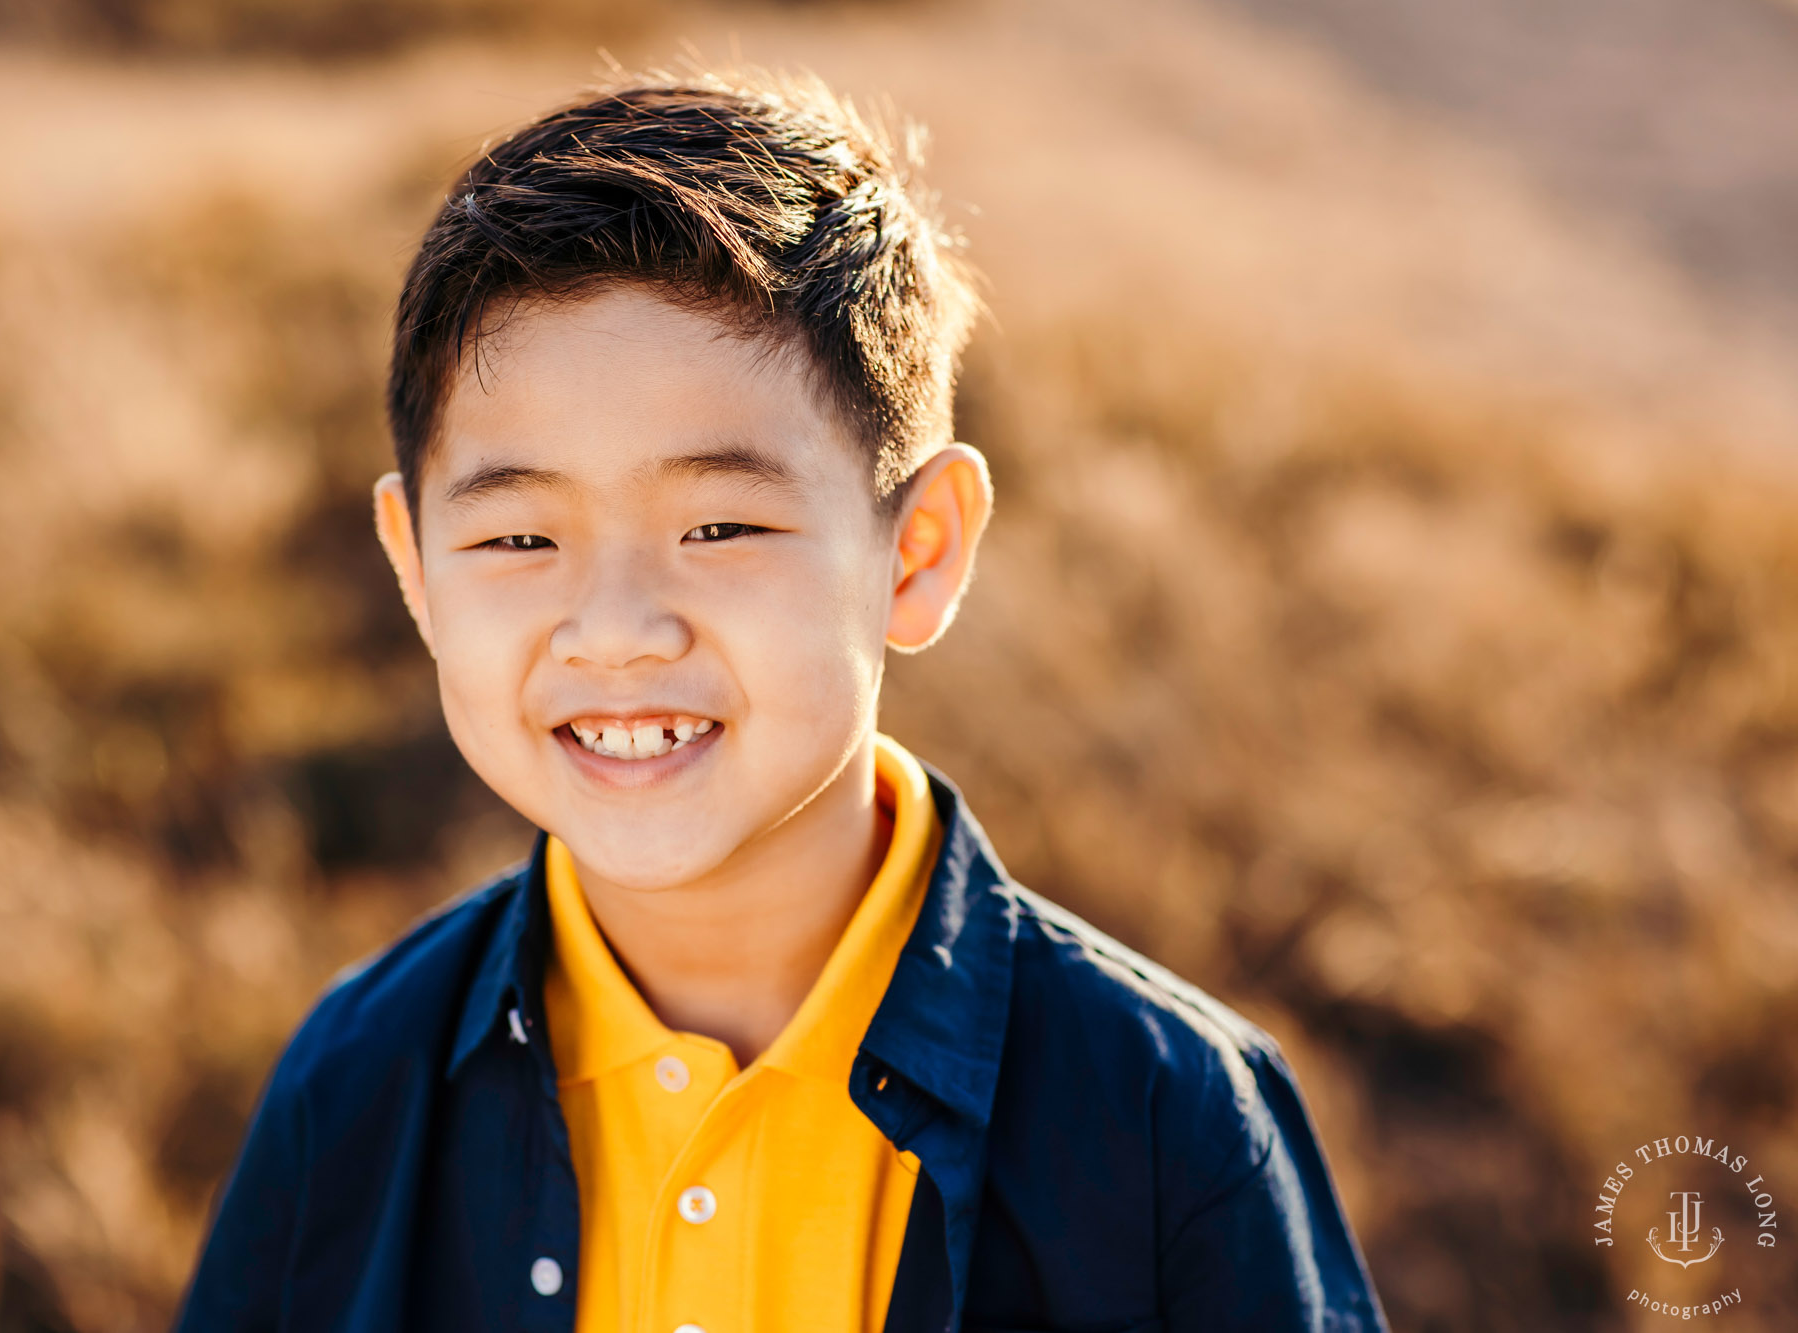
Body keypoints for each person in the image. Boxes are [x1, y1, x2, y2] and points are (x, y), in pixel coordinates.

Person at [175, 68, 1387, 1333]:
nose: (618, 632)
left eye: (719, 523)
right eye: (518, 541)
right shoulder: (356, 1085)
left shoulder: (1168, 1126)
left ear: (917, 553)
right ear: (413, 569)